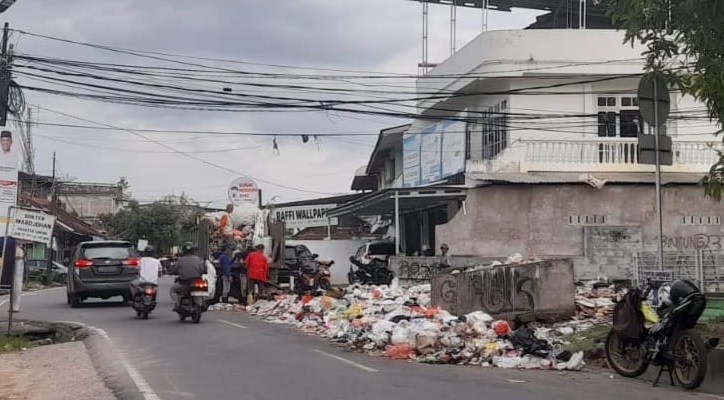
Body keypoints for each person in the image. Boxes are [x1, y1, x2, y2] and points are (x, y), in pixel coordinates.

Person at [169, 242, 207, 311]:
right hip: (197, 282)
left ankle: (177, 304)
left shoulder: (180, 260)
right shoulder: (199, 260)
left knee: (172, 290)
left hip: (185, 283)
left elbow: (174, 270)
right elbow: (204, 270)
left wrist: (172, 271)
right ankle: (202, 303)